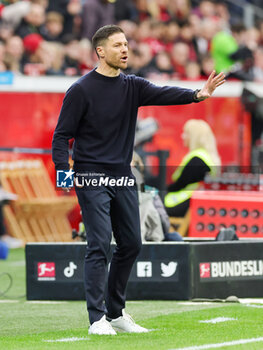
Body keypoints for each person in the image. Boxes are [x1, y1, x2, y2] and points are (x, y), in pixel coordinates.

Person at [52, 24, 225, 335]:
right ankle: (97, 319)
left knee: (131, 243)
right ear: (100, 51)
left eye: (126, 44)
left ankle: (116, 313)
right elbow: (62, 136)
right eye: (117, 45)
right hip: (89, 174)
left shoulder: (132, 86)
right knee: (99, 243)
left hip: (121, 175)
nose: (125, 49)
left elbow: (164, 93)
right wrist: (63, 170)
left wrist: (198, 94)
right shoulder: (80, 90)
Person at [164, 119, 221, 217]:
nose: (183, 136)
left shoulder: (197, 159)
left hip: (181, 205)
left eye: (186, 133)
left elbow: (179, 185)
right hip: (191, 205)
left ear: (195, 136)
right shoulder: (206, 157)